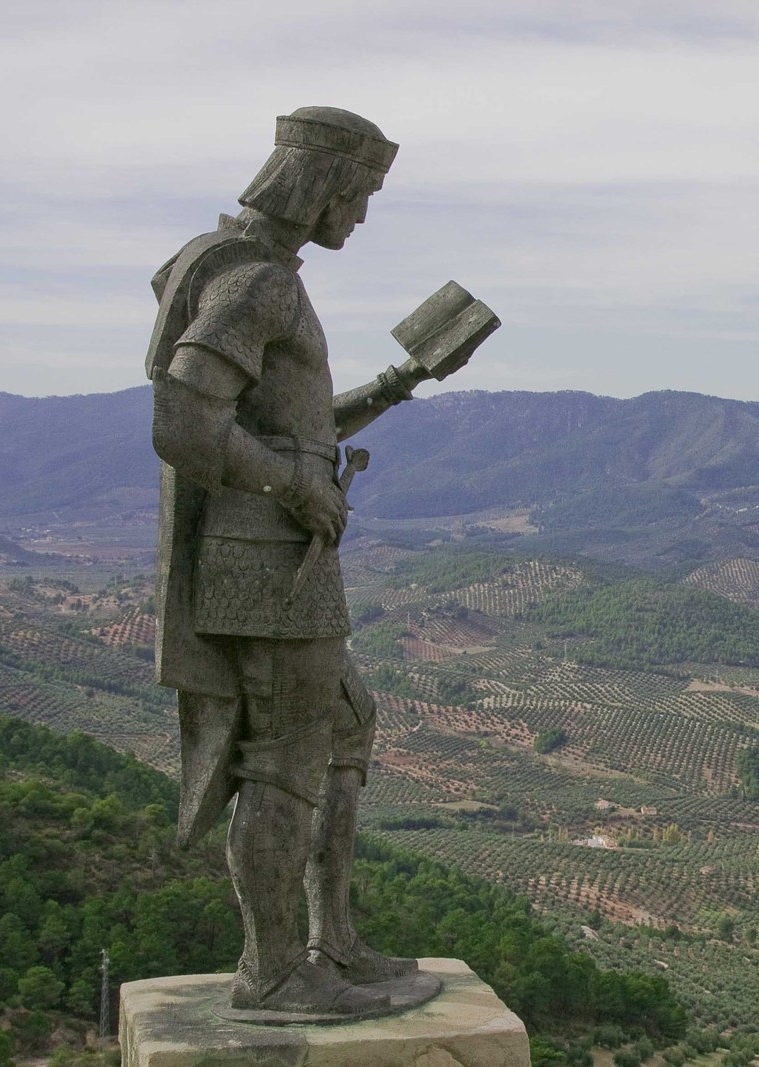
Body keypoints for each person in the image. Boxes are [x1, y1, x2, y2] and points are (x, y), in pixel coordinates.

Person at [146, 107, 463, 1015]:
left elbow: (293, 427)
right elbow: (183, 422)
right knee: (285, 759)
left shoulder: (250, 272)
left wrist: (400, 384)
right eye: (356, 196)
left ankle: (334, 939)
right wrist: (296, 485)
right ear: (318, 184)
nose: (357, 217)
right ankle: (276, 970)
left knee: (349, 720)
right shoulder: (256, 285)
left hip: (280, 561)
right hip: (267, 567)